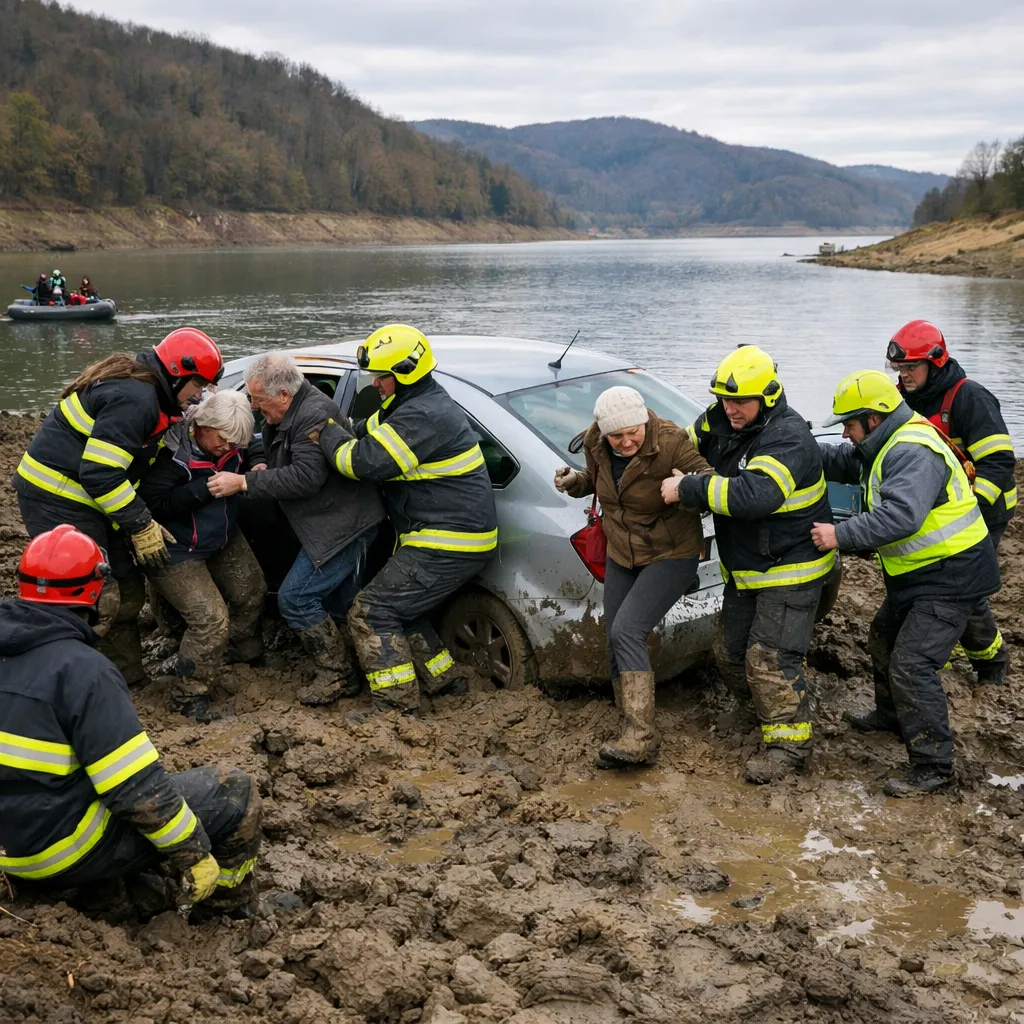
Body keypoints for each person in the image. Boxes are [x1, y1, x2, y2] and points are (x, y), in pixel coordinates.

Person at [0, 525, 261, 917]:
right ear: (94, 592)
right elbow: (135, 788)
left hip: (7, 848)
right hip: (55, 850)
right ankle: (226, 910)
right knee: (235, 792)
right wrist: (191, 851)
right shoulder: (85, 671)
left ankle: (114, 894)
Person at [814, 370, 1000, 796]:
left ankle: (934, 765)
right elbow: (846, 461)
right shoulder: (885, 441)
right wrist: (799, 447)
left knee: (913, 665)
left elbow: (901, 517)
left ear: (874, 419)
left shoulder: (912, 451)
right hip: (920, 574)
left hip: (951, 575)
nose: (845, 432)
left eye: (849, 423)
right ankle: (892, 716)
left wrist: (839, 535)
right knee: (882, 636)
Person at [12, 328, 224, 684]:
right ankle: (55, 676)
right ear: (176, 373)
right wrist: (141, 525)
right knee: (96, 596)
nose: (198, 395)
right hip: (57, 498)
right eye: (197, 385)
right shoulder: (136, 400)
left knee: (126, 591)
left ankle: (126, 677)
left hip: (89, 501)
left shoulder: (145, 390)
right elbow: (101, 475)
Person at [664, 346, 835, 784]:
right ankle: (765, 714)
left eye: (740, 401)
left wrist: (690, 490)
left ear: (770, 397)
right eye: (724, 399)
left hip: (792, 568)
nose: (730, 409)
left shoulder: (788, 437)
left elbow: (754, 497)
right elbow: (678, 444)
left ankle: (789, 748)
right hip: (747, 570)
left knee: (769, 659)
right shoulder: (720, 418)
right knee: (730, 654)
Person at [318, 324, 498, 714]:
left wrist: (326, 434)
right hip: (454, 537)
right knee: (406, 610)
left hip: (446, 541)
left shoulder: (421, 414)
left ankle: (395, 706)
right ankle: (445, 682)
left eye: (380, 377)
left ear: (403, 374)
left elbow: (364, 462)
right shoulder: (414, 404)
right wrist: (347, 428)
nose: (374, 384)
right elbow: (369, 432)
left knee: (372, 611)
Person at [207, 353, 384, 707]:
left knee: (296, 598)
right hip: (334, 520)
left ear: (284, 394)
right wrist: (261, 463)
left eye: (258, 400)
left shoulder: (314, 415)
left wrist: (244, 482)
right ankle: (357, 667)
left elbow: (305, 477)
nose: (256, 408)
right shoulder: (292, 410)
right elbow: (274, 447)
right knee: (338, 601)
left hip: (341, 526)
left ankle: (337, 674)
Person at [554, 386, 710, 767]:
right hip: (623, 551)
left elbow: (711, 482)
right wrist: (575, 481)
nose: (626, 442)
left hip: (672, 553)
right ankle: (627, 719)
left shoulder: (672, 442)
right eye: (616, 436)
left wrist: (686, 488)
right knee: (614, 633)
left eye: (633, 433)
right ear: (603, 432)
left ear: (644, 421)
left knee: (628, 631)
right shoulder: (596, 442)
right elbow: (599, 480)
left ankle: (641, 739)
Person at [887, 319, 1012, 684]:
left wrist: (973, 506)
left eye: (910, 367)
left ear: (936, 362)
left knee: (963, 591)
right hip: (944, 510)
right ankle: (948, 652)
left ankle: (992, 663)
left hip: (984, 508)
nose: (903, 375)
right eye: (898, 368)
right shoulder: (907, 399)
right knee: (948, 589)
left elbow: (1000, 460)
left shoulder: (969, 397)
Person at [139, 391, 267, 721]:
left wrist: (255, 462)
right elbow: (152, 505)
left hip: (221, 536)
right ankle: (188, 696)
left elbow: (253, 443)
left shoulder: (231, 438)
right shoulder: (169, 454)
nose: (229, 450)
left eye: (234, 445)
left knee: (252, 592)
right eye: (224, 443)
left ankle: (237, 650)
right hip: (176, 547)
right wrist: (201, 490)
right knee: (211, 620)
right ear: (203, 426)